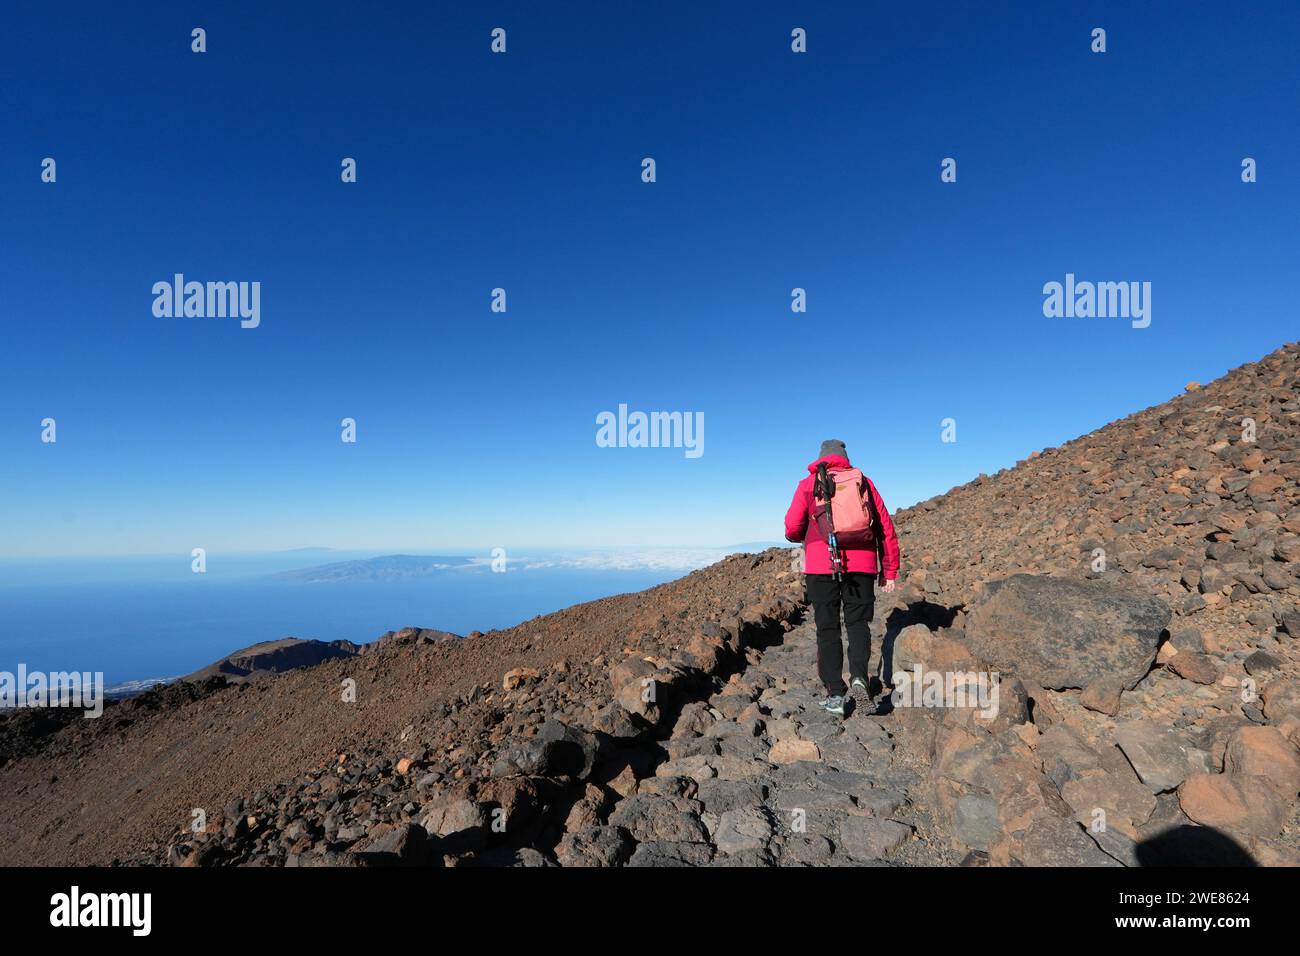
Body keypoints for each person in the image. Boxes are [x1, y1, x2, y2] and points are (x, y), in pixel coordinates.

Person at [784, 439, 901, 717]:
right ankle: (859, 678)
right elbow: (885, 526)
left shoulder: (808, 484)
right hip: (862, 566)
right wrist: (890, 570)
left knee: (827, 629)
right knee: (858, 624)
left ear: (822, 458)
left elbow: (791, 527)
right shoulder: (863, 482)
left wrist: (806, 534)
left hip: (821, 566)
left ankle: (836, 695)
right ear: (844, 457)